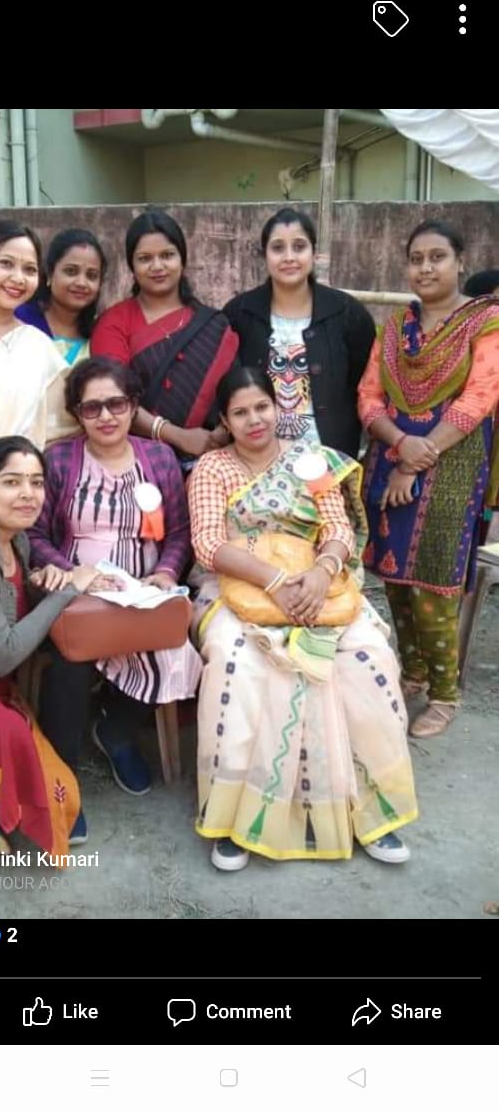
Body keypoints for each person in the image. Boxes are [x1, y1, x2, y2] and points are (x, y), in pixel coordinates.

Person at [187, 367, 418, 872]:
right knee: (237, 662)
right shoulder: (212, 468)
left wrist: (320, 572)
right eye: (240, 412)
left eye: (262, 407)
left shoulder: (310, 461)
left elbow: (337, 527)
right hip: (237, 586)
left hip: (318, 586)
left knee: (367, 656)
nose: (254, 420)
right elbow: (207, 544)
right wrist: (274, 581)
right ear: (224, 420)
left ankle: (369, 810)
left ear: (278, 407)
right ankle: (235, 818)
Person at [27, 356, 203, 826]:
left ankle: (117, 731)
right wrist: (73, 574)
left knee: (175, 650)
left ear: (133, 405)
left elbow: (179, 532)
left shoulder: (159, 458)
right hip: (77, 593)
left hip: (143, 591)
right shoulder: (59, 460)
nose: (105, 416)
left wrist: (165, 572)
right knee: (69, 662)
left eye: (116, 404)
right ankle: (61, 784)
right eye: (92, 408)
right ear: (77, 413)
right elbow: (35, 535)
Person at [358, 219, 499, 738]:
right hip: (390, 456)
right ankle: (412, 672)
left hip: (453, 465)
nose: (425, 268)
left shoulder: (486, 322)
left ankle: (444, 694)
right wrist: (400, 444)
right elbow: (368, 397)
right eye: (416, 259)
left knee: (435, 582)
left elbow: (481, 396)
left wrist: (416, 457)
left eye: (437, 257)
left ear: (460, 261)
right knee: (394, 577)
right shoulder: (395, 328)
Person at [0, 436, 106, 864]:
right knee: (9, 734)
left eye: (36, 482)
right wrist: (68, 589)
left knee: (59, 794)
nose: (27, 493)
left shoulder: (15, 540)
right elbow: (2, 655)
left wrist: (42, 582)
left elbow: (10, 607)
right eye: (11, 482)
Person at [91, 208, 238, 467]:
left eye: (167, 255)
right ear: (132, 266)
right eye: (145, 258)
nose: (157, 266)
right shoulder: (114, 323)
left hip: (211, 462)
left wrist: (222, 432)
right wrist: (178, 436)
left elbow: (238, 390)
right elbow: (111, 399)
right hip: (137, 464)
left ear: (182, 260)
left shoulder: (213, 324)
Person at [223, 207, 376, 458]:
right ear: (265, 255)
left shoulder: (348, 314)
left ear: (314, 253)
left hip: (329, 460)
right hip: (256, 462)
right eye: (278, 248)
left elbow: (365, 387)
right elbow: (226, 386)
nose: (289, 257)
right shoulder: (239, 314)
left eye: (299, 246)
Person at [0, 220, 77, 505]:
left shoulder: (37, 347)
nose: (18, 278)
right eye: (6, 264)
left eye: (30, 269)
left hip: (2, 506)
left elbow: (61, 427)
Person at [16, 228, 107, 364]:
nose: (81, 283)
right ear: (50, 274)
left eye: (91, 275)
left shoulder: (101, 334)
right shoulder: (20, 322)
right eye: (71, 271)